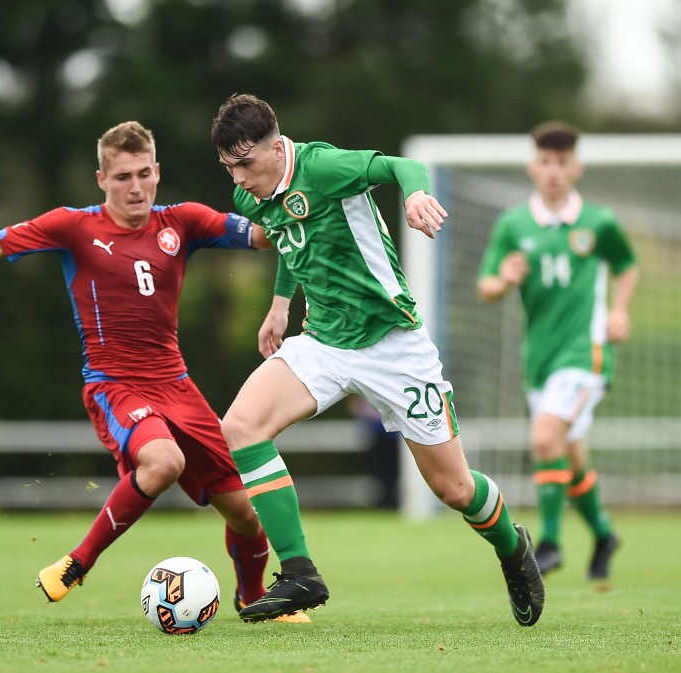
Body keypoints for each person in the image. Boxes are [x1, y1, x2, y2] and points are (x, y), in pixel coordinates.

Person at [0, 120, 312, 624]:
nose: (135, 187)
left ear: (157, 172)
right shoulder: (74, 227)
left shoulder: (182, 221)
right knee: (163, 462)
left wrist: (295, 204)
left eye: (143, 174)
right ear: (102, 179)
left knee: (247, 512)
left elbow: (271, 236)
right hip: (115, 384)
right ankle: (77, 563)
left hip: (177, 385)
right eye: (122, 177)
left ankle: (253, 598)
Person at [209, 93, 545, 626]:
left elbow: (403, 166)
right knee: (241, 427)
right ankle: (299, 572)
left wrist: (415, 196)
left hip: (393, 344)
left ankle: (512, 546)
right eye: (229, 167)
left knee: (454, 488)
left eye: (246, 164)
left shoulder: (324, 167)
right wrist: (279, 304)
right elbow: (289, 235)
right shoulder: (252, 193)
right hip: (324, 341)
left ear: (277, 147)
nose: (239, 179)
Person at [477, 121, 638, 581]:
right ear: (533, 166)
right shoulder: (513, 224)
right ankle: (604, 534)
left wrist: (620, 311)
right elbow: (486, 286)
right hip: (540, 359)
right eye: (545, 161)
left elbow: (627, 265)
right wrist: (504, 279)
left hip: (585, 353)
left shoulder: (599, 221)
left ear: (576, 168)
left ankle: (548, 544)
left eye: (562, 162)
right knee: (569, 455)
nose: (553, 170)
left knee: (546, 438)